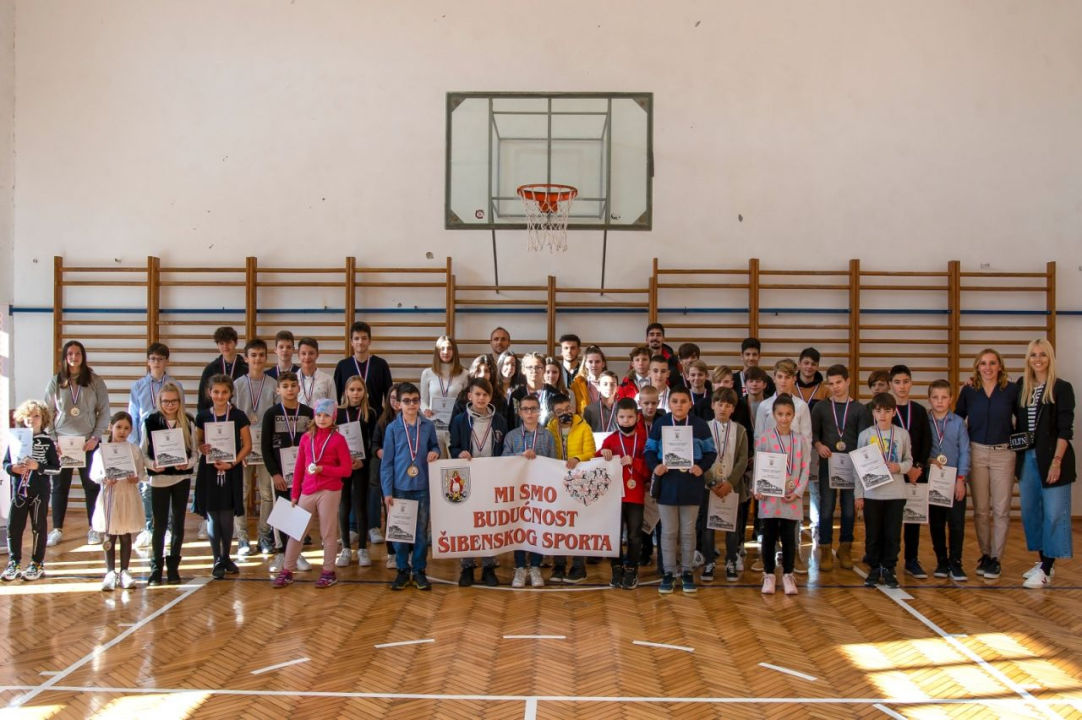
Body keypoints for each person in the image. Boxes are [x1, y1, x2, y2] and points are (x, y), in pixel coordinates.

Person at [272, 398, 353, 589]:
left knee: (328, 533)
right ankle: (287, 570)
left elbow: (346, 470)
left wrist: (323, 469)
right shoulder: (306, 438)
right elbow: (300, 466)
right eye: (318, 415)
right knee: (295, 532)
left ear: (333, 417)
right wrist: (294, 494)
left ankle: (328, 572)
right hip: (307, 490)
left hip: (330, 490)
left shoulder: (338, 440)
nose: (322, 419)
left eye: (326, 415)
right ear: (314, 416)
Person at [953, 348, 1019, 580]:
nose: (988, 367)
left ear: (1000, 366)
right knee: (981, 511)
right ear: (977, 367)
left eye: (992, 363)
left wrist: (1018, 452)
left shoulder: (1012, 390)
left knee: (1001, 511)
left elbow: (1021, 422)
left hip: (1004, 454)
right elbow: (957, 421)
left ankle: (996, 559)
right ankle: (985, 554)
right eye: (983, 363)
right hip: (977, 453)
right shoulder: (970, 390)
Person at [1014, 339, 1075, 589]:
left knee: (1053, 514)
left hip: (1053, 458)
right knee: (1031, 513)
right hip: (1027, 457)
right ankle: (1043, 563)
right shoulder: (1022, 386)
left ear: (1050, 358)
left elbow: (1065, 430)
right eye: (1033, 355)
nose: (1037, 359)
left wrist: (1056, 462)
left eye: (1042, 355)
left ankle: (1048, 567)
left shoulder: (1062, 388)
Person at [645, 386, 717, 595]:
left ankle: (686, 571)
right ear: (669, 404)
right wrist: (655, 466)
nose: (679, 405)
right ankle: (668, 572)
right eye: (675, 401)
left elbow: (711, 452)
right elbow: (649, 450)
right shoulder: (661, 424)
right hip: (667, 485)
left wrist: (700, 467)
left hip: (691, 485)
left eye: (683, 401)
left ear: (690, 404)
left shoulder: (700, 425)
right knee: (668, 532)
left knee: (687, 531)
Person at [45, 340, 110, 547]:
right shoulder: (56, 381)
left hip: (88, 443)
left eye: (78, 354)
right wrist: (54, 440)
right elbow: (47, 411)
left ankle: (93, 528)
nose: (74, 357)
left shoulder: (95, 381)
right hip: (62, 444)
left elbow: (105, 411)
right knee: (59, 487)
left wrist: (96, 437)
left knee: (91, 486)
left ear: (83, 356)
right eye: (70, 354)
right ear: (65, 357)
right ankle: (57, 529)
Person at [811, 364, 871, 571]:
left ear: (848, 381)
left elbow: (864, 441)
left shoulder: (860, 409)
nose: (835, 387)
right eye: (831, 383)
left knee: (848, 509)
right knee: (826, 508)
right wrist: (819, 446)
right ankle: (826, 549)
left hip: (851, 468)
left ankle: (845, 549)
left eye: (839, 382)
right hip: (828, 466)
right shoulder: (820, 407)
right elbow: (814, 435)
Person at [754, 359, 813, 574]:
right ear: (774, 378)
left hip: (792, 473)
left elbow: (806, 439)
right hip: (769, 472)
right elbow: (758, 436)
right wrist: (761, 476)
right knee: (769, 523)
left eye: (788, 377)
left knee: (790, 522)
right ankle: (765, 556)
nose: (783, 381)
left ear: (793, 379)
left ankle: (793, 554)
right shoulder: (764, 406)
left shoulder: (801, 406)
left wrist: (797, 482)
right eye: (779, 376)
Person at [381, 382, 441, 590]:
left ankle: (419, 570)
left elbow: (434, 445)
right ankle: (402, 570)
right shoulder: (392, 429)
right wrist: (387, 491)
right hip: (399, 488)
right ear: (398, 404)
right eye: (406, 401)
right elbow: (387, 462)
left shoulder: (428, 426)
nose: (412, 405)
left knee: (421, 533)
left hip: (422, 486)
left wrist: (435, 452)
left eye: (415, 400)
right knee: (400, 533)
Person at [450, 378, 508, 586]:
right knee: (468, 522)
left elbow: (503, 449)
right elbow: (453, 446)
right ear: (469, 396)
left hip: (491, 477)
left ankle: (489, 566)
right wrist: (459, 453)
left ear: (490, 397)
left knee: (489, 522)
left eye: (485, 395)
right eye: (477, 394)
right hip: (467, 477)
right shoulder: (459, 420)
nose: (481, 398)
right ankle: (467, 566)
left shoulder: (500, 420)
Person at [194, 375, 252, 579]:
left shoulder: (239, 415)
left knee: (227, 516)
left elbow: (247, 445)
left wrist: (232, 462)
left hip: (231, 468)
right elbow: (199, 442)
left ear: (231, 393)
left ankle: (226, 556)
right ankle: (216, 558)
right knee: (212, 513)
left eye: (224, 392)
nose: (220, 395)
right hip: (209, 470)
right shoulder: (202, 416)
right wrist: (202, 447)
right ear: (209, 392)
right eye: (216, 391)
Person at [128, 342, 184, 551]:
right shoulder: (138, 387)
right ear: (148, 362)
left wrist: (179, 444)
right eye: (153, 359)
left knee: (169, 484)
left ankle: (167, 528)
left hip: (169, 442)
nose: (157, 362)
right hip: (145, 441)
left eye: (160, 359)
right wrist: (136, 447)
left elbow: (181, 413)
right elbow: (133, 416)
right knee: (146, 487)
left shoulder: (176, 385)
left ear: (167, 361)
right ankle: (149, 528)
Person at [855, 393, 913, 590]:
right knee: (873, 534)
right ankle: (874, 568)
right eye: (878, 410)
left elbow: (909, 460)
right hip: (872, 494)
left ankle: (889, 568)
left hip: (896, 493)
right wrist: (859, 494)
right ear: (873, 412)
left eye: (887, 411)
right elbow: (858, 468)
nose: (882, 415)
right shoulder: (865, 435)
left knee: (892, 535)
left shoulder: (903, 434)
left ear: (894, 412)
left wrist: (899, 467)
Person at [142, 383, 197, 586]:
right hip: (159, 480)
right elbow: (143, 452)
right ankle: (156, 568)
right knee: (160, 525)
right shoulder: (150, 421)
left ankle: (173, 568)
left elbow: (194, 454)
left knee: (178, 524)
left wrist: (188, 464)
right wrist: (152, 465)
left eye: (174, 401)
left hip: (181, 479)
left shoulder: (188, 421)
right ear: (160, 402)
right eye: (166, 401)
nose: (170, 405)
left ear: (179, 401)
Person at [261, 372, 315, 574]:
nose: (290, 389)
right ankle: (282, 552)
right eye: (285, 386)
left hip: (304, 473)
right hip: (281, 474)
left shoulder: (309, 413)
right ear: (278, 390)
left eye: (293, 385)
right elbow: (265, 446)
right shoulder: (271, 414)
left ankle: (296, 553)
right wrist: (274, 473)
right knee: (283, 512)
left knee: (300, 513)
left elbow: (315, 444)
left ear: (299, 388)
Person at [1, 400, 60, 582]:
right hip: (18, 492)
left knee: (38, 527)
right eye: (28, 416)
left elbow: (56, 468)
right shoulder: (15, 439)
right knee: (14, 527)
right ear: (21, 418)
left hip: (39, 492)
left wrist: (38, 466)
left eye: (36, 416)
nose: (31, 420)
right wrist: (12, 468)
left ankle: (37, 563)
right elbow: (5, 463)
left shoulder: (48, 442)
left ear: (43, 419)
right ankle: (14, 562)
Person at [504, 393, 558, 588]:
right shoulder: (512, 436)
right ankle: (520, 567)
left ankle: (535, 566)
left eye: (533, 409)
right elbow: (504, 461)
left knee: (537, 527)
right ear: (520, 412)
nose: (529, 412)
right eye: (525, 409)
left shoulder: (547, 436)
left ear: (539, 411)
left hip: (540, 491)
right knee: (519, 526)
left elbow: (554, 463)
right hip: (518, 490)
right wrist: (520, 455)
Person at [90, 412, 147, 591]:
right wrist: (104, 479)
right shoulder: (101, 450)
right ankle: (110, 572)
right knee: (110, 534)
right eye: (119, 427)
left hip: (128, 494)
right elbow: (93, 474)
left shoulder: (134, 450)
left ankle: (124, 571)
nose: (122, 431)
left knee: (125, 534)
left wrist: (136, 478)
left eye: (126, 428)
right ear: (111, 427)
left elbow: (142, 473)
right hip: (110, 496)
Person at [597, 398, 650, 589]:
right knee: (615, 534)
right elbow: (597, 464)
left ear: (637, 417)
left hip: (635, 496)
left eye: (629, 417)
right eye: (622, 417)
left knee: (635, 535)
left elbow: (650, 470)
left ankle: (631, 568)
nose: (626, 421)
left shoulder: (644, 441)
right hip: (614, 497)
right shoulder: (610, 440)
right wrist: (602, 454)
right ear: (616, 419)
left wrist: (634, 462)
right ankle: (616, 567)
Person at [545, 393, 597, 583]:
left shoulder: (584, 427)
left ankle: (578, 566)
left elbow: (591, 452)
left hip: (578, 482)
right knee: (558, 525)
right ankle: (559, 565)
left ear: (573, 407)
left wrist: (578, 459)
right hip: (557, 483)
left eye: (567, 409)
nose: (565, 413)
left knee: (577, 525)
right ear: (553, 414)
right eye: (559, 411)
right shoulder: (549, 429)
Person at [232, 338, 277, 556]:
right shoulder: (238, 384)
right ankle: (242, 539)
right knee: (241, 492)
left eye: (261, 355)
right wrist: (240, 449)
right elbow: (233, 419)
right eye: (253, 355)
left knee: (267, 494)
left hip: (265, 447)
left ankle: (264, 536)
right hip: (244, 447)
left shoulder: (273, 384)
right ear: (246, 358)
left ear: (267, 357)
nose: (257, 359)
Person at [701, 388, 750, 583]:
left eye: (728, 405)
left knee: (732, 526)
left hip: (732, 487)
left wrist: (730, 482)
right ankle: (709, 562)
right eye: (719, 404)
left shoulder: (740, 430)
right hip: (708, 487)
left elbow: (743, 458)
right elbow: (699, 457)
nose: (723, 408)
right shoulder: (703, 428)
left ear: (733, 409)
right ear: (712, 405)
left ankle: (731, 560)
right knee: (708, 526)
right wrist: (711, 482)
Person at [926, 380, 971, 581]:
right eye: (935, 397)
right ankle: (942, 561)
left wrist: (961, 479)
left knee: (956, 524)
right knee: (936, 523)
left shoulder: (959, 422)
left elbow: (965, 451)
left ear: (951, 399)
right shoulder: (924, 421)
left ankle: (956, 561)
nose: (940, 401)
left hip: (955, 482)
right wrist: (929, 461)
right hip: (933, 482)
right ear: (929, 399)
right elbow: (919, 449)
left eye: (944, 397)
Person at [889, 365, 931, 580]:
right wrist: (898, 468)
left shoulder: (920, 411)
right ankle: (889, 561)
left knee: (913, 518)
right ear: (890, 385)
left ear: (911, 383)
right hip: (893, 474)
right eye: (897, 382)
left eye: (905, 381)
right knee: (892, 520)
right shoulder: (885, 410)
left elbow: (926, 442)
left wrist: (919, 467)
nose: (902, 386)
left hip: (916, 473)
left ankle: (912, 560)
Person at [336, 376, 377, 568]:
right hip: (342, 466)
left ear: (365, 392)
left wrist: (363, 461)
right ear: (345, 392)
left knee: (360, 504)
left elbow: (373, 442)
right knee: (344, 504)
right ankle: (345, 547)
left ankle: (362, 548)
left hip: (361, 465)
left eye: (359, 390)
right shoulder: (337, 413)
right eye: (352, 389)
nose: (355, 393)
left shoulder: (371, 413)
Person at [369, 383, 401, 563]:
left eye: (399, 398)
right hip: (388, 473)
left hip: (407, 474)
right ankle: (391, 553)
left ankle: (408, 551)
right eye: (393, 398)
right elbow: (374, 445)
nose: (396, 402)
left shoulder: (414, 420)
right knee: (390, 513)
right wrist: (380, 452)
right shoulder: (383, 421)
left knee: (407, 513)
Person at [420, 335, 469, 451]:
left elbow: (466, 401)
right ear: (437, 351)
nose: (446, 352)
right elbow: (422, 400)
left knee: (454, 465)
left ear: (455, 351)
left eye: (450, 348)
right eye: (442, 348)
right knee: (437, 463)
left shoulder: (464, 374)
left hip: (455, 426)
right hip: (434, 426)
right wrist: (426, 409)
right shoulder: (427, 373)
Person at [333, 321, 394, 414]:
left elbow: (389, 395)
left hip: (375, 418)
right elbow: (335, 396)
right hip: (349, 420)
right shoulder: (342, 366)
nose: (360, 342)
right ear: (351, 342)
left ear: (369, 341)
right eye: (356, 338)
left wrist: (387, 419)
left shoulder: (381, 365)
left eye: (364, 338)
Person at [196, 326, 248, 413]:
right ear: (217, 345)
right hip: (215, 417)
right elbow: (203, 399)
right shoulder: (210, 369)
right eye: (221, 343)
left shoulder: (246, 367)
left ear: (236, 342)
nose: (225, 346)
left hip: (240, 415)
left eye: (228, 342)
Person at [508, 352, 557, 428]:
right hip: (520, 438)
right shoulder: (516, 395)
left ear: (544, 369)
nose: (534, 370)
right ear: (523, 370)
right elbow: (511, 423)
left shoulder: (554, 394)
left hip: (547, 438)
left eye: (538, 367)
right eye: (530, 367)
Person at [296, 337, 336, 408]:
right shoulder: (293, 379)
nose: (307, 357)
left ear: (317, 355)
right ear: (298, 355)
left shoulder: (327, 379)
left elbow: (333, 407)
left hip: (320, 419)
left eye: (311, 353)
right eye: (303, 353)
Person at [570, 345, 607, 415]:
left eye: (597, 362)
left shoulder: (610, 383)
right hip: (584, 424)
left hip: (606, 424)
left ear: (603, 364)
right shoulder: (577, 385)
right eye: (590, 362)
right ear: (586, 364)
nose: (594, 365)